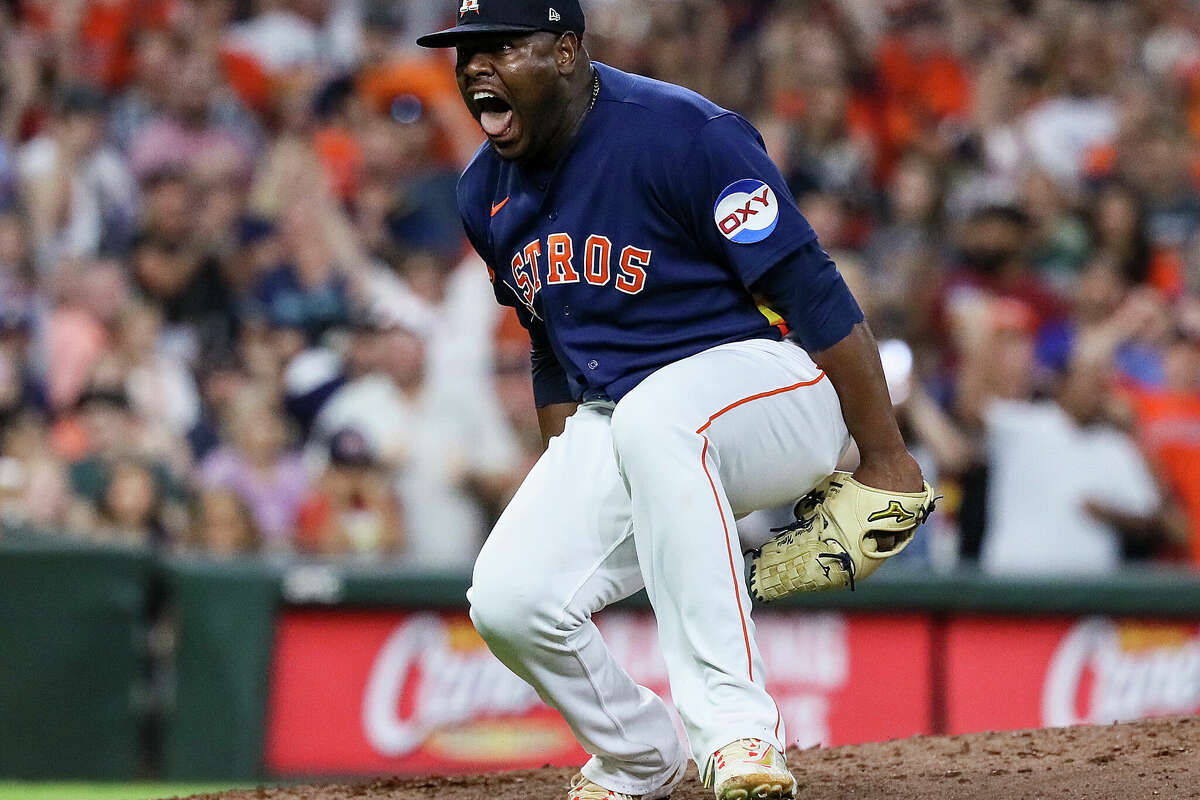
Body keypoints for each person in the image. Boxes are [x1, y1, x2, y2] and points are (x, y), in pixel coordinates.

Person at [418, 3, 927, 799]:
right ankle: (638, 753)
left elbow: (813, 293)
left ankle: (738, 738)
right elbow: (550, 339)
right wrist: (567, 476)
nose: (476, 67)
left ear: (564, 50)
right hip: (629, 415)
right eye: (465, 52)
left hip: (777, 385)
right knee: (512, 598)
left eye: (502, 46)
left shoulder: (683, 133)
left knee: (662, 415)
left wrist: (887, 455)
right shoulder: (483, 189)